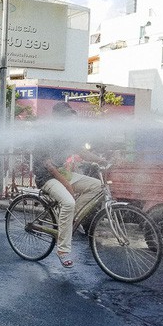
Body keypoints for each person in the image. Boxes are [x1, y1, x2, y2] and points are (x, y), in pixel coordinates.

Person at [32, 103, 104, 268]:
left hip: (64, 174)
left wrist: (102, 160)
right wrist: (68, 187)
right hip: (47, 178)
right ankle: (63, 250)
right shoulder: (46, 135)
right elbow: (49, 167)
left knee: (98, 186)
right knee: (68, 202)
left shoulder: (67, 136)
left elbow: (81, 152)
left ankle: (70, 218)